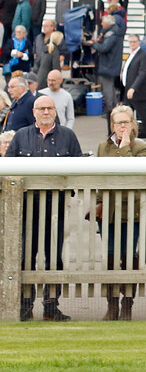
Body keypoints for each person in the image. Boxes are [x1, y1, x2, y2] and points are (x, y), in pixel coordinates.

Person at [6, 94, 81, 321]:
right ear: (34, 112)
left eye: (50, 108)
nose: (46, 112)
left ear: (55, 111)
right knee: (26, 256)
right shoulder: (21, 136)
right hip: (27, 208)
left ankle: (51, 306)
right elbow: (8, 168)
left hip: (56, 208)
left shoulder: (67, 136)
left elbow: (79, 169)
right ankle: (25, 306)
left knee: (54, 257)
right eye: (42, 108)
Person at [96, 105, 146, 320]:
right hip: (108, 212)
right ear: (112, 125)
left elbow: (135, 176)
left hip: (132, 212)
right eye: (118, 123)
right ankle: (112, 304)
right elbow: (100, 177)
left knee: (129, 258)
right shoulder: (103, 146)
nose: (122, 127)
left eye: (126, 122)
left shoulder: (141, 148)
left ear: (133, 123)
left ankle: (127, 304)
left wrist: (126, 147)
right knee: (110, 257)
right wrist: (99, 203)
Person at [121, 33, 146, 142]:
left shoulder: (143, 55)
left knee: (144, 116)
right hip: (128, 90)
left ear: (139, 42)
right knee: (126, 116)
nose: (132, 44)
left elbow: (142, 73)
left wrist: (133, 88)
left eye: (134, 42)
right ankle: (126, 136)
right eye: (130, 42)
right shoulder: (131, 55)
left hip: (138, 92)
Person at [88, 15, 123, 115]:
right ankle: (115, 109)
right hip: (113, 64)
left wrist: (93, 44)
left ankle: (109, 110)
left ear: (107, 23)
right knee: (111, 87)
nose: (101, 24)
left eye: (102, 22)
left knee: (107, 88)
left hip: (108, 65)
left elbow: (104, 48)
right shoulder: (115, 32)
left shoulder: (110, 34)